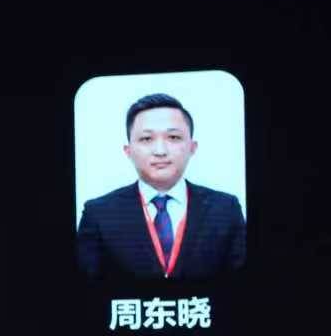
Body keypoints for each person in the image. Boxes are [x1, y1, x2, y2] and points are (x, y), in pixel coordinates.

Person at [76, 92, 247, 279]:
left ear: (192, 147)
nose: (160, 151)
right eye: (146, 139)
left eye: (173, 137)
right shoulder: (98, 214)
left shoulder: (225, 209)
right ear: (128, 151)